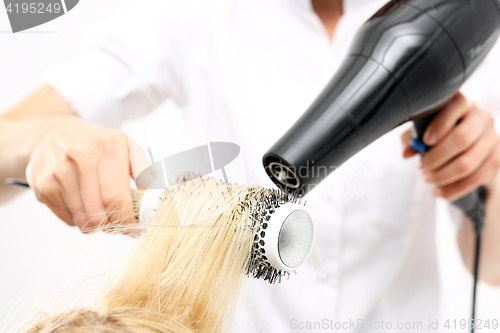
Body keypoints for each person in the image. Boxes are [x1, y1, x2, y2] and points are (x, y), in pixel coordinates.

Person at [1, 0, 500, 331]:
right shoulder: (199, 14)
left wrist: (485, 177)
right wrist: (41, 137)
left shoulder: (452, 27)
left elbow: (491, 266)